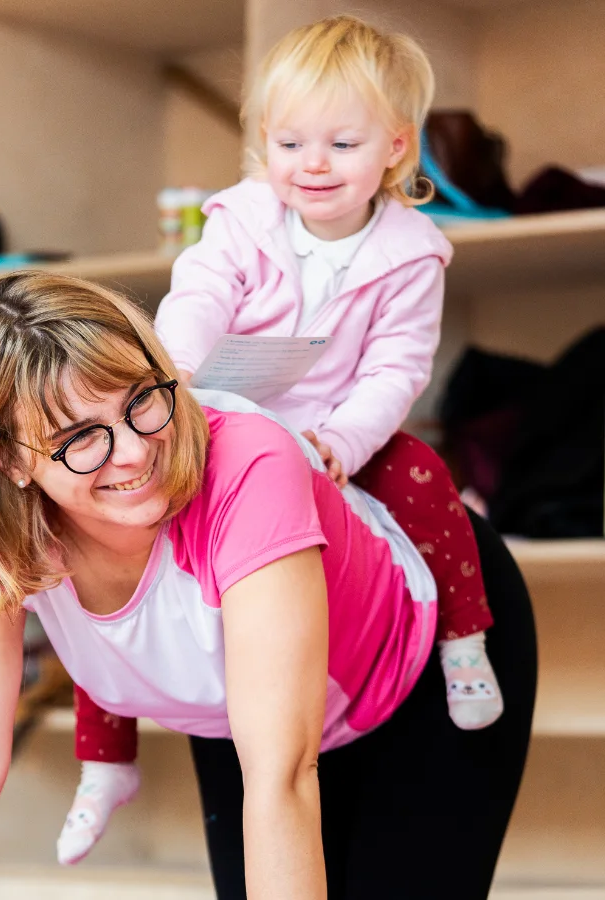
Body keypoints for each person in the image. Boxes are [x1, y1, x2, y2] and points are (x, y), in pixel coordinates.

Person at [0, 272, 536, 900]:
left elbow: (283, 775)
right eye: (80, 438)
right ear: (9, 460)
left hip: (416, 661)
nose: (133, 451)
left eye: (141, 400)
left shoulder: (247, 465)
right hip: (234, 715)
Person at [61, 15, 507, 865]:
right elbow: (198, 294)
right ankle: (105, 756)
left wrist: (344, 437)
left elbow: (397, 369)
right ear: (263, 143)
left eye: (342, 143)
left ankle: (465, 638)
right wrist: (176, 372)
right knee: (119, 545)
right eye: (290, 141)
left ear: (395, 149)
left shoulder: (412, 255)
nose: (312, 164)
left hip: (341, 424)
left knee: (423, 477)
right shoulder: (241, 219)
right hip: (231, 409)